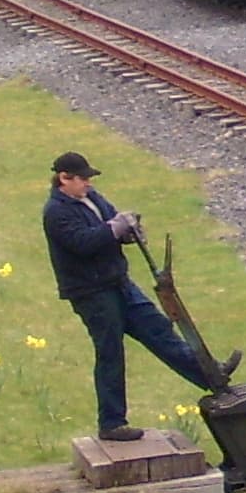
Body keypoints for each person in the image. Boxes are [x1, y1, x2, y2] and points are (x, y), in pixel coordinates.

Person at [42, 151, 232, 443]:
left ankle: (212, 377)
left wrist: (128, 229)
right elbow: (83, 243)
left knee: (158, 329)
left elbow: (112, 222)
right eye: (83, 179)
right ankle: (112, 423)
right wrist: (113, 229)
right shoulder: (56, 212)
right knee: (110, 353)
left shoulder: (92, 199)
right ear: (64, 179)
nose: (89, 184)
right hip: (91, 292)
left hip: (118, 282)